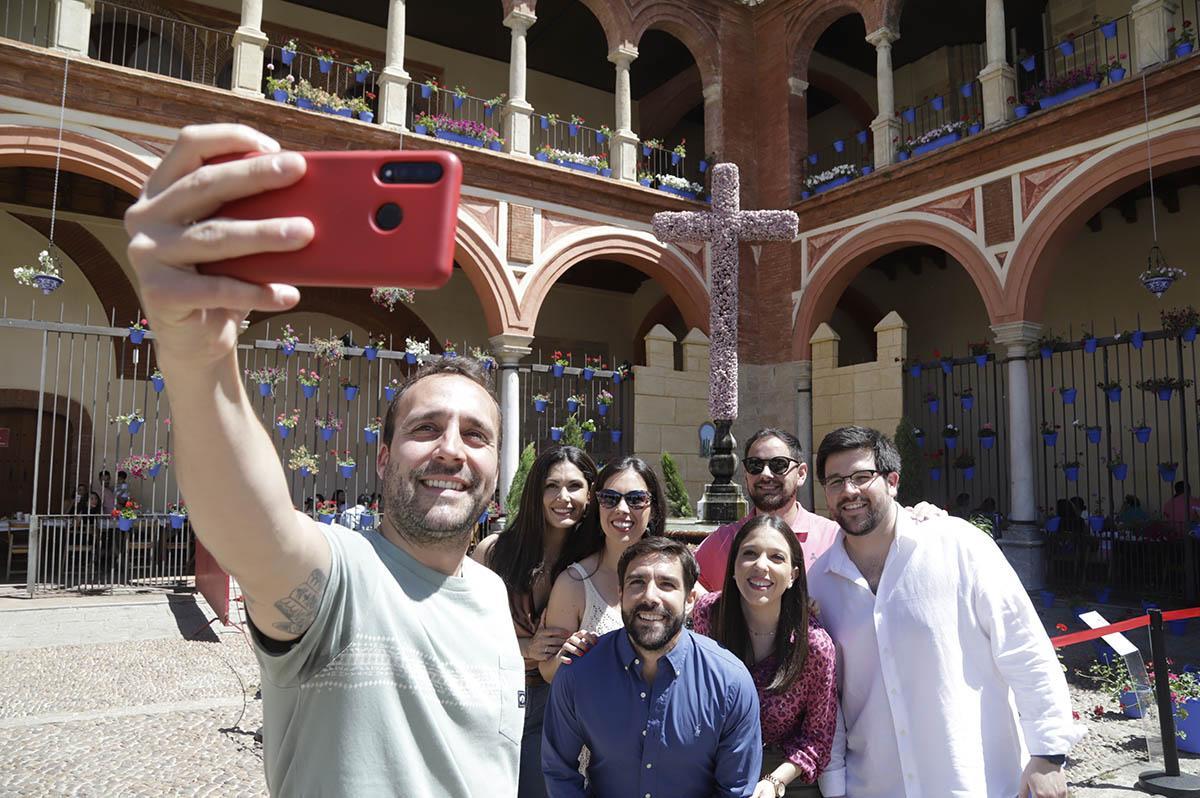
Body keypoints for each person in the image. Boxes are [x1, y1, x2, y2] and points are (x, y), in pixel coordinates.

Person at [123, 123, 521, 796]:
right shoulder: (340, 581)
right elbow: (258, 529)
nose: (452, 449)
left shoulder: (489, 593)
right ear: (385, 454)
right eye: (427, 427)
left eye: (476, 436)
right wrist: (195, 356)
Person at [807, 426, 1081, 798]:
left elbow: (1023, 645)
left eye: (861, 477)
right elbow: (828, 699)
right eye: (836, 481)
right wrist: (836, 787)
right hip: (875, 785)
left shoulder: (959, 545)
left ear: (892, 481)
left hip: (974, 781)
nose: (849, 491)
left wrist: (1048, 755)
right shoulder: (819, 582)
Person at [542, 536, 763, 797]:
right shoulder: (578, 673)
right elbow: (559, 771)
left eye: (667, 584)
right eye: (637, 582)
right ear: (621, 594)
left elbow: (734, 790)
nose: (650, 596)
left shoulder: (730, 683)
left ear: (690, 599)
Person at [472, 445, 598, 798]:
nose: (563, 497)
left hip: (554, 709)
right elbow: (463, 634)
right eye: (551, 486)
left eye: (574, 486)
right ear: (535, 494)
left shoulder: (594, 563)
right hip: (493, 702)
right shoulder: (494, 552)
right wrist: (524, 648)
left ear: (590, 494)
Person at [691, 514, 839, 798]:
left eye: (776, 557)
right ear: (733, 567)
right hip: (716, 764)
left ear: (794, 575)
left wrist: (774, 781)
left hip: (783, 772)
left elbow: (817, 739)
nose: (761, 566)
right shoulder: (709, 615)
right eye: (749, 554)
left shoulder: (814, 646)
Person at [538, 455, 667, 684]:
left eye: (636, 499)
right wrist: (564, 656)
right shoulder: (574, 583)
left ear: (654, 509)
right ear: (598, 507)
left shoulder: (673, 574)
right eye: (609, 498)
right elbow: (548, 672)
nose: (622, 509)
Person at [694, 428, 840, 591]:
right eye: (755, 465)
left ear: (801, 474)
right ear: (746, 475)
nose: (765, 474)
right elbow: (686, 589)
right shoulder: (722, 542)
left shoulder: (834, 540)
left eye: (778, 465)